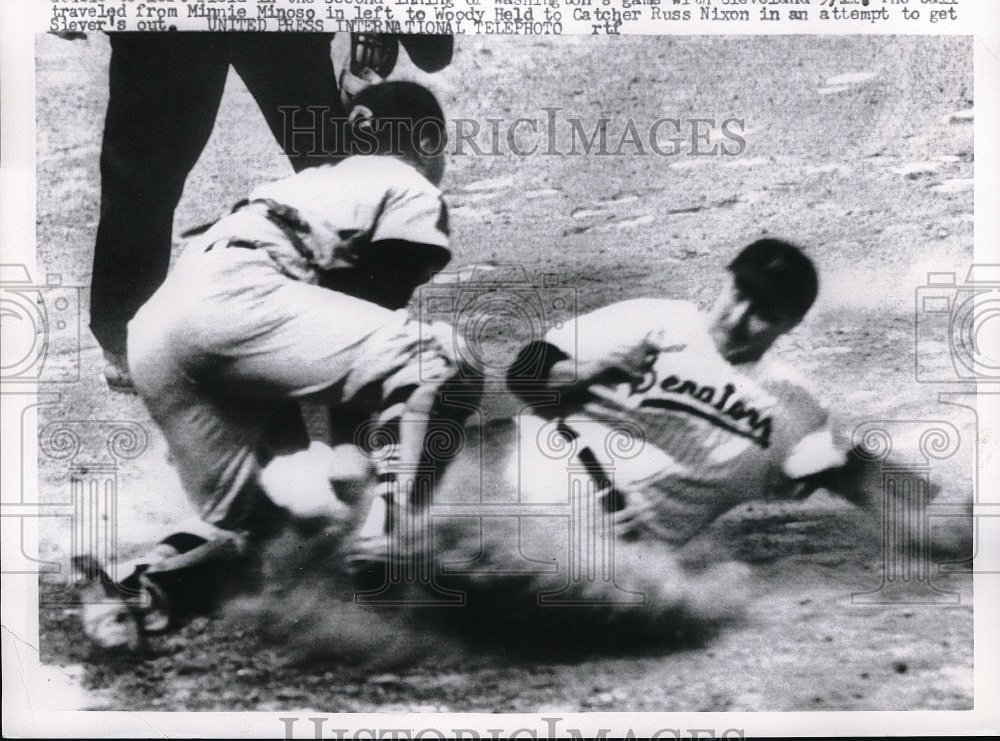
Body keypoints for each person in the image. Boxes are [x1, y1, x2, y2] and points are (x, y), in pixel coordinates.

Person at [75, 81, 476, 650]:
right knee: (439, 360)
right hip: (241, 302)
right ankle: (388, 540)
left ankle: (136, 588)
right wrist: (357, 462)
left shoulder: (302, 185)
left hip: (160, 333)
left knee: (272, 529)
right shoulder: (406, 182)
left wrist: (324, 469)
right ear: (429, 140)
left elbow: (307, 347)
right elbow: (367, 307)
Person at [90, 32, 454, 393]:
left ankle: (364, 320)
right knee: (141, 174)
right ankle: (123, 335)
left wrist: (376, 27)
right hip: (175, 15)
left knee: (332, 160)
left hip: (276, 13)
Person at [504, 238, 852, 547]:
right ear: (726, 279)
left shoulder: (796, 406)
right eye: (739, 294)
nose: (738, 318)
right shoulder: (654, 321)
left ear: (792, 323)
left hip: (616, 566)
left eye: (765, 313)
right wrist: (588, 372)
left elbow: (856, 475)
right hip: (514, 506)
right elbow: (523, 374)